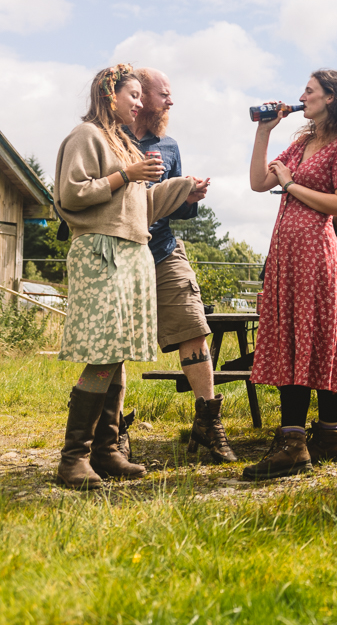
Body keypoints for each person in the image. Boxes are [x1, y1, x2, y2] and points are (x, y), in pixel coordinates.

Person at [52, 64, 197, 489]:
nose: (139, 103)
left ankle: (106, 450)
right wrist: (126, 175)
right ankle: (72, 459)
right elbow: (71, 193)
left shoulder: (122, 142)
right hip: (101, 251)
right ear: (108, 94)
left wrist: (182, 188)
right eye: (132, 95)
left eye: (139, 96)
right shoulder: (87, 136)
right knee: (102, 353)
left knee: (116, 353)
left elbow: (141, 204)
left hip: (130, 250)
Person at [243, 69, 337, 479]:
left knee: (317, 339)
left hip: (317, 254)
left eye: (309, 91)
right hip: (286, 256)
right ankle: (316, 439)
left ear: (331, 98)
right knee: (292, 336)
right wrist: (265, 131)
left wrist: (292, 186)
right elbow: (260, 182)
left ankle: (306, 442)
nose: (301, 96)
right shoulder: (300, 142)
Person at [123, 68, 235, 464]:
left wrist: (191, 197)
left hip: (164, 249)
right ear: (138, 96)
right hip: (119, 253)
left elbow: (178, 210)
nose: (170, 102)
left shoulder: (168, 145)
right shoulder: (108, 139)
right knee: (113, 343)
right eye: (163, 94)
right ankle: (112, 432)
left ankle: (208, 425)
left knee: (193, 328)